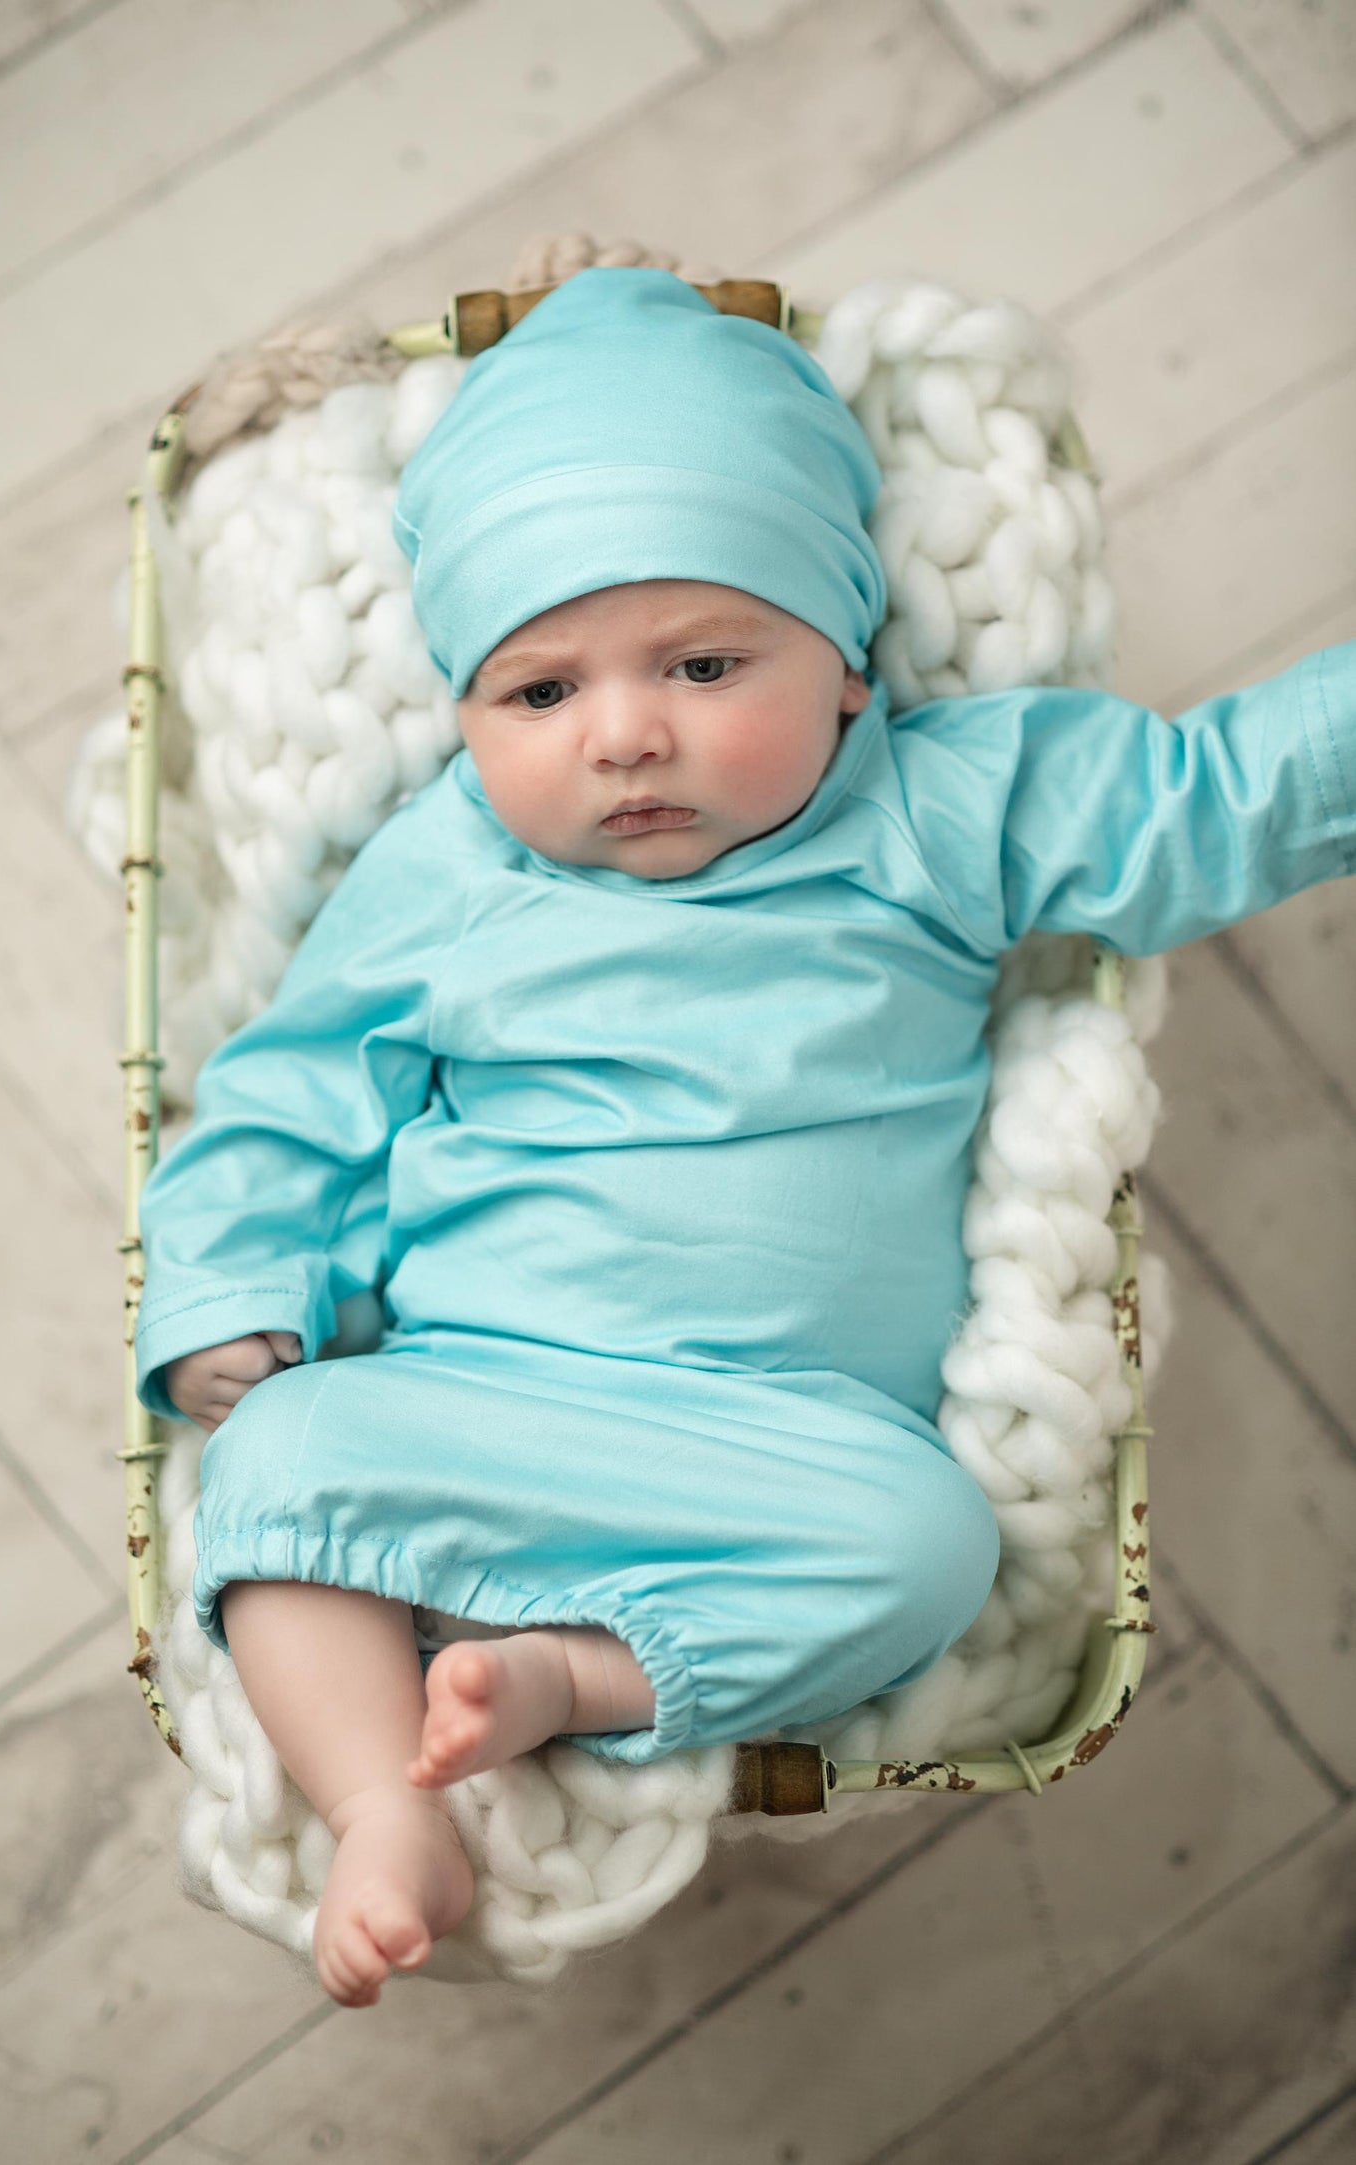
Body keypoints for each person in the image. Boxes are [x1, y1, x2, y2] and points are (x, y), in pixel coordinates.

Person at [133, 267, 1356, 2007]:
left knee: (927, 1549)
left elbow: (1209, 799)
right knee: (272, 1473)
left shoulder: (947, 807)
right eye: (538, 692)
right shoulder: (450, 869)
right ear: (466, 715)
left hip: (782, 1446)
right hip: (485, 1397)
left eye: (705, 663)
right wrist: (228, 1287)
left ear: (849, 665)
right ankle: (369, 1806)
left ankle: (574, 1679)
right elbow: (290, 1088)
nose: (625, 730)